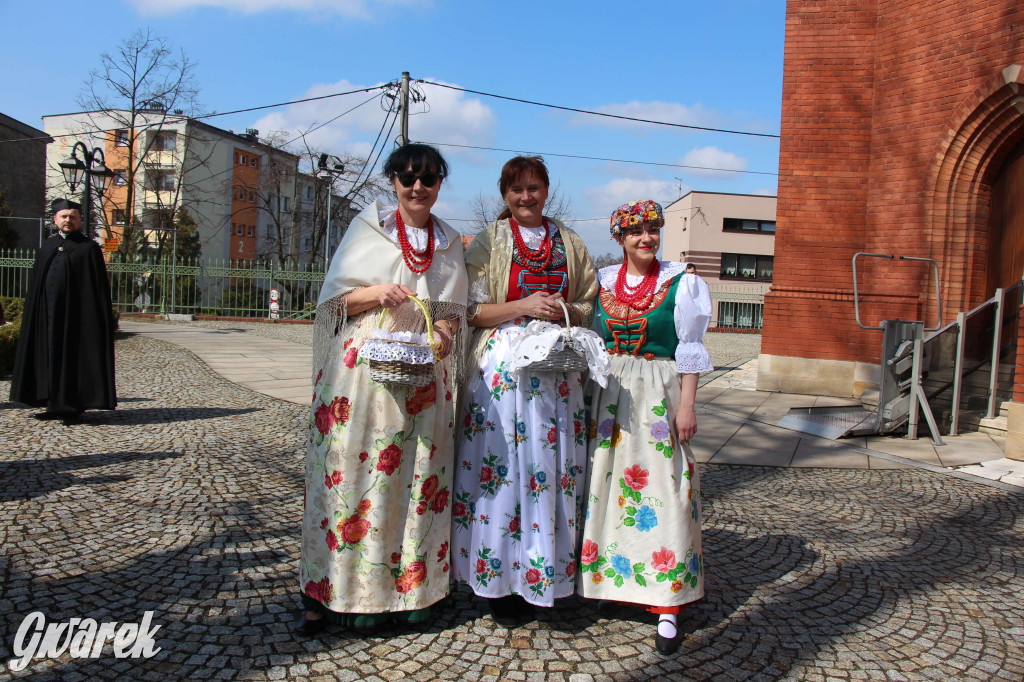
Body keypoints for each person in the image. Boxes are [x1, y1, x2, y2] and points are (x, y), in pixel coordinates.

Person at [297, 144, 468, 635]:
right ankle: (339, 592)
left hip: (423, 374)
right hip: (361, 374)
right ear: (393, 180)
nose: (418, 187)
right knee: (351, 473)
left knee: (417, 476)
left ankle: (411, 592)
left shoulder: (450, 242)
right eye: (409, 177)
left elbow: (454, 313)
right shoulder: (368, 229)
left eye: (429, 179)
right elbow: (333, 303)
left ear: (439, 185)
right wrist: (376, 293)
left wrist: (445, 334)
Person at [453, 156, 598, 627]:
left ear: (547, 190)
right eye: (516, 190)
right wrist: (523, 305)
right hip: (503, 371)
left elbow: (589, 302)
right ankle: (497, 581)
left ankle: (543, 574)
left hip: (557, 371)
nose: (526, 197)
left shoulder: (570, 243)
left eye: (534, 188)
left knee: (549, 469)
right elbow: (469, 309)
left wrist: (563, 313)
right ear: (504, 194)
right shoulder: (490, 242)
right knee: (503, 471)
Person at [577, 199, 712, 655]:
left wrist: (688, 406)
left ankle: (667, 600)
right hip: (611, 394)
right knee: (608, 487)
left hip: (659, 392)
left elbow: (691, 349)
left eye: (652, 230)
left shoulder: (683, 282)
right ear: (620, 238)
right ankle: (613, 583)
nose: (646, 238)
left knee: (667, 489)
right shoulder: (604, 281)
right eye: (635, 232)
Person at [9, 198, 116, 425]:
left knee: (71, 357)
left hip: (75, 318)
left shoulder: (89, 249)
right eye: (64, 216)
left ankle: (72, 406)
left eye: (73, 217)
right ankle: (52, 403)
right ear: (56, 219)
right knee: (47, 354)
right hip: (46, 315)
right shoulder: (47, 246)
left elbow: (96, 290)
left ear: (79, 220)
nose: (68, 220)